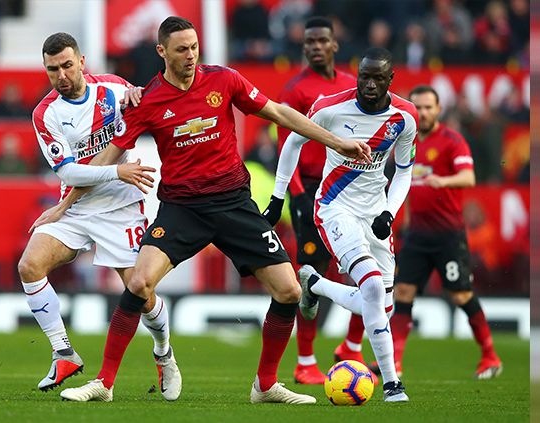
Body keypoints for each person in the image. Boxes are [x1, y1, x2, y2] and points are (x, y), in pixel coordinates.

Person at [51, 16, 371, 404]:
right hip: (182, 208)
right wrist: (65, 205)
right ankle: (104, 383)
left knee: (288, 292)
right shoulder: (148, 99)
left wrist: (337, 142)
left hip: (233, 203)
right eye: (182, 49)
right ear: (162, 52)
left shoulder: (224, 79)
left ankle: (266, 385)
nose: (190, 55)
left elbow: (280, 114)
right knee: (138, 283)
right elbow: (106, 158)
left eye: (194, 47)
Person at [20, 32, 182, 401]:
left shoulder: (112, 89)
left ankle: (163, 351)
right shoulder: (45, 113)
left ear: (82, 61)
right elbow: (69, 174)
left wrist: (138, 93)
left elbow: (147, 102)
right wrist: (117, 172)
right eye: (52, 70)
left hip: (120, 207)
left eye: (66, 65)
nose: (60, 75)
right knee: (30, 266)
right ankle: (63, 353)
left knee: (141, 291)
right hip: (76, 207)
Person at [264, 47, 417, 402]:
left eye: (378, 78)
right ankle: (393, 385)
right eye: (364, 76)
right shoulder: (330, 107)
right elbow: (291, 144)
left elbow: (405, 171)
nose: (369, 84)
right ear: (358, 75)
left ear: (390, 81)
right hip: (335, 207)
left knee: (383, 306)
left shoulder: (405, 117)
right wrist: (277, 196)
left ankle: (316, 284)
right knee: (374, 290)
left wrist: (389, 212)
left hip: (376, 210)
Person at [371, 85, 503, 380]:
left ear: (439, 109)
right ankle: (394, 364)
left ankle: (489, 355)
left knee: (460, 295)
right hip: (417, 235)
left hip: (448, 236)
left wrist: (443, 181)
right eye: (418, 107)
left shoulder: (452, 140)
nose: (424, 112)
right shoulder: (407, 140)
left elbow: (469, 177)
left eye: (429, 107)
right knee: (403, 292)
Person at [275, 16, 365, 385]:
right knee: (310, 276)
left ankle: (353, 347)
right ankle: (306, 360)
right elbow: (287, 146)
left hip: (350, 187)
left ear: (334, 45)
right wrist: (296, 195)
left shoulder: (352, 84)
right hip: (311, 190)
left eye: (321, 40)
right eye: (308, 42)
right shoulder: (296, 90)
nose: (314, 46)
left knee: (369, 268)